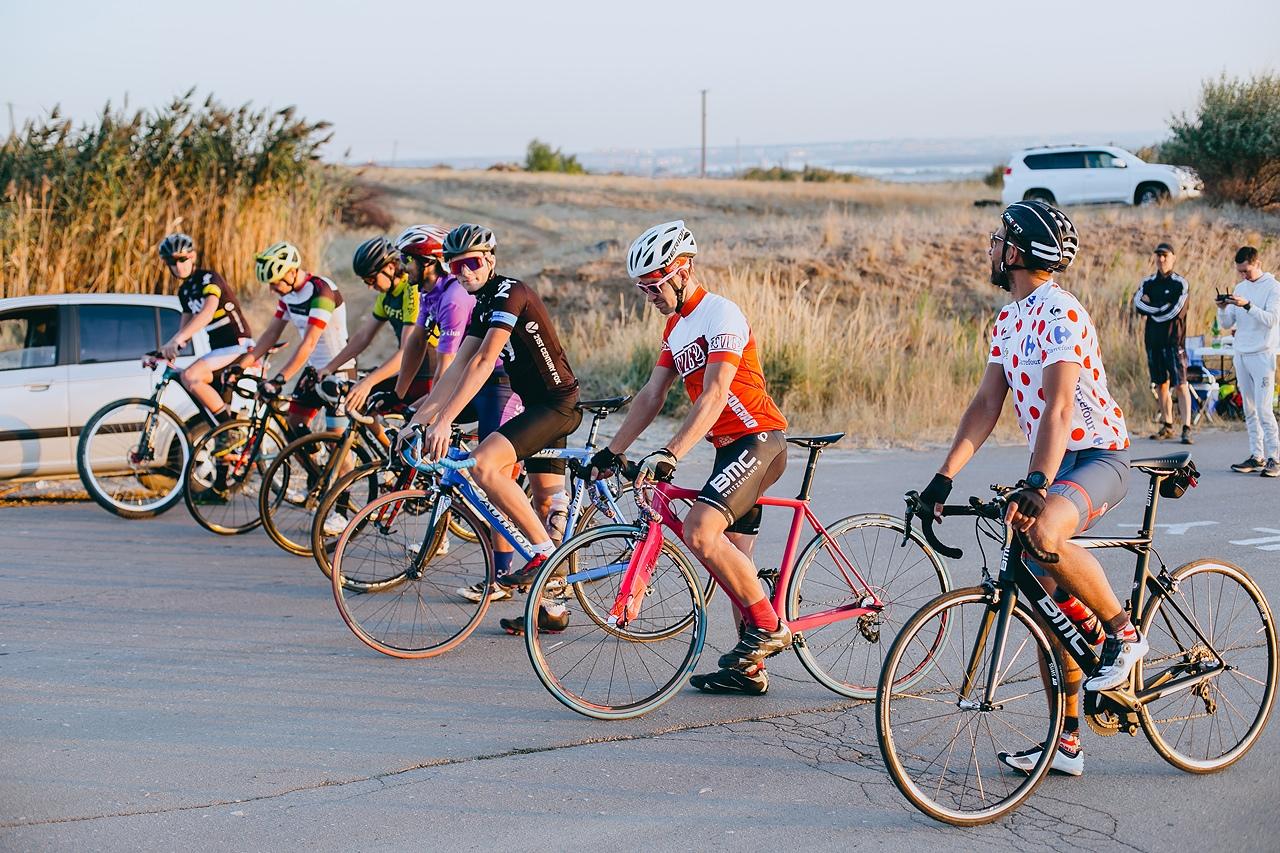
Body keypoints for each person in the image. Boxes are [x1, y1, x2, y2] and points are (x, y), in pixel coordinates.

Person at [917, 200, 1140, 777]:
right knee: (1045, 605)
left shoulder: (1062, 314)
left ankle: (1122, 633)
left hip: (1098, 454)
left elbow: (1062, 406)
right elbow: (986, 405)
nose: (991, 247)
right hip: (1059, 459)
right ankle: (1067, 743)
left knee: (1044, 530)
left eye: (999, 239)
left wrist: (1039, 481)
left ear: (1016, 251)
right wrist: (943, 477)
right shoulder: (1009, 319)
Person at [583, 220, 791, 696]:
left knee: (699, 530)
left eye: (654, 285)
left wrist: (671, 452)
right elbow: (652, 395)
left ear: (682, 271)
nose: (649, 296)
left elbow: (716, 394)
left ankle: (771, 628)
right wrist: (612, 452)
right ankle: (749, 670)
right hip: (728, 450)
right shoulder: (674, 329)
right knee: (732, 561)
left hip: (759, 440)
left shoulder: (721, 314)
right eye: (642, 288)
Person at [404, 224, 579, 632]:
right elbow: (457, 368)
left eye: (473, 263)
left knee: (484, 466)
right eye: (455, 265)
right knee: (544, 507)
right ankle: (552, 612)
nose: (464, 272)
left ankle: (542, 556)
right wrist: (419, 418)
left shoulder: (509, 292)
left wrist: (445, 420)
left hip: (555, 405)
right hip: (539, 407)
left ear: (491, 260)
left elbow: (485, 362)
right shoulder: (481, 306)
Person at [245, 241, 352, 436]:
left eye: (275, 282)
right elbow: (271, 334)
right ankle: (316, 464)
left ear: (291, 273)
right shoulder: (288, 296)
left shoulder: (322, 291)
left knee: (337, 447)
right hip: (314, 371)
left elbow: (309, 342)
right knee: (293, 429)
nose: (272, 289)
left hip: (339, 371)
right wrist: (241, 365)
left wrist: (279, 380)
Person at [319, 235, 433, 414]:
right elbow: (363, 337)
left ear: (390, 267)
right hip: (412, 370)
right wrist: (329, 368)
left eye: (371, 279)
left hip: (428, 370)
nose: (370, 287)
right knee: (362, 401)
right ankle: (383, 442)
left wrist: (368, 382)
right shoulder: (387, 294)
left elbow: (406, 351)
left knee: (406, 427)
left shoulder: (410, 290)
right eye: (366, 281)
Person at [156, 233, 254, 423]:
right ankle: (226, 437)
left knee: (190, 375)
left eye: (182, 259)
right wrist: (164, 350)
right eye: (172, 262)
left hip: (237, 345)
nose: (178, 266)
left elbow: (207, 313)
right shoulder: (184, 291)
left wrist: (177, 340)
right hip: (218, 351)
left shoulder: (208, 278)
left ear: (192, 256)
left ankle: (227, 430)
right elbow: (184, 331)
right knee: (196, 386)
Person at [1218, 246, 1280, 477]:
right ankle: (1257, 455)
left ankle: (1275, 457)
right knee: (1249, 409)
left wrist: (1248, 305)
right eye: (1240, 272)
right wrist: (1223, 309)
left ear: (1257, 263)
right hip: (1241, 353)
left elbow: (1272, 320)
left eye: (1246, 271)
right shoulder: (1240, 287)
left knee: (1264, 409)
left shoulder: (1274, 288)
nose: (1244, 275)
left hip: (1262, 355)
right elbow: (1227, 324)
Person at [1133, 242, 1192, 444]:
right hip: (1153, 341)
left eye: (1165, 255)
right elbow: (1138, 303)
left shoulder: (1180, 283)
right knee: (1160, 384)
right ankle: (1167, 425)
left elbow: (1176, 310)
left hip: (1174, 342)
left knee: (1181, 384)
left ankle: (1186, 427)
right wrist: (1160, 308)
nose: (1161, 259)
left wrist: (1153, 307)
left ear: (1173, 257)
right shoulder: (1147, 282)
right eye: (1158, 255)